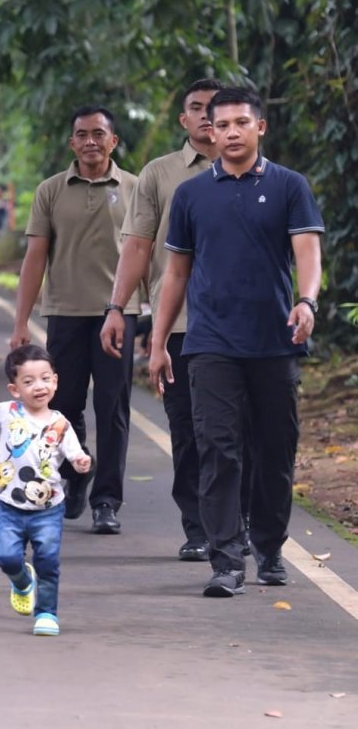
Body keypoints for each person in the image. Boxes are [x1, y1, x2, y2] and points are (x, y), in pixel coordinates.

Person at [148, 85, 323, 598]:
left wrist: (306, 302)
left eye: (240, 123)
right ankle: (226, 559)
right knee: (218, 450)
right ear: (209, 130)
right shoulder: (192, 195)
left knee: (274, 449)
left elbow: (307, 254)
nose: (229, 132)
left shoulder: (290, 187)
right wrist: (159, 343)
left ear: (259, 127)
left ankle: (269, 547)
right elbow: (175, 274)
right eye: (219, 125)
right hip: (210, 343)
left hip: (274, 341)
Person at [100, 78, 225, 562]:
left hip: (238, 326)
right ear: (184, 119)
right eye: (197, 108)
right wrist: (117, 308)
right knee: (188, 430)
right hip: (177, 324)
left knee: (237, 431)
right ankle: (198, 527)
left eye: (216, 108)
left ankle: (237, 522)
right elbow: (137, 245)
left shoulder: (258, 172)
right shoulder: (160, 173)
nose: (207, 117)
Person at [11, 106, 139, 535]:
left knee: (112, 407)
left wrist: (158, 317)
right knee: (62, 407)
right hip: (64, 313)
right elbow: (34, 258)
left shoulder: (136, 189)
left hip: (118, 317)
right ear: (71, 143)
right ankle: (77, 468)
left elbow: (151, 257)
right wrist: (21, 322)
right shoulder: (50, 191)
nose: (90, 141)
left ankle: (107, 501)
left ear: (113, 141)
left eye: (98, 134)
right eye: (82, 134)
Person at [0, 345, 92, 636]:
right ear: (14, 389)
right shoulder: (8, 412)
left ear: (55, 381)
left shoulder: (61, 424)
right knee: (7, 558)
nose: (38, 386)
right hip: (7, 506)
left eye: (45, 378)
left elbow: (76, 456)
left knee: (48, 561)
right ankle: (21, 581)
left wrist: (81, 463)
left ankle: (46, 613)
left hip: (49, 509)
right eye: (28, 381)